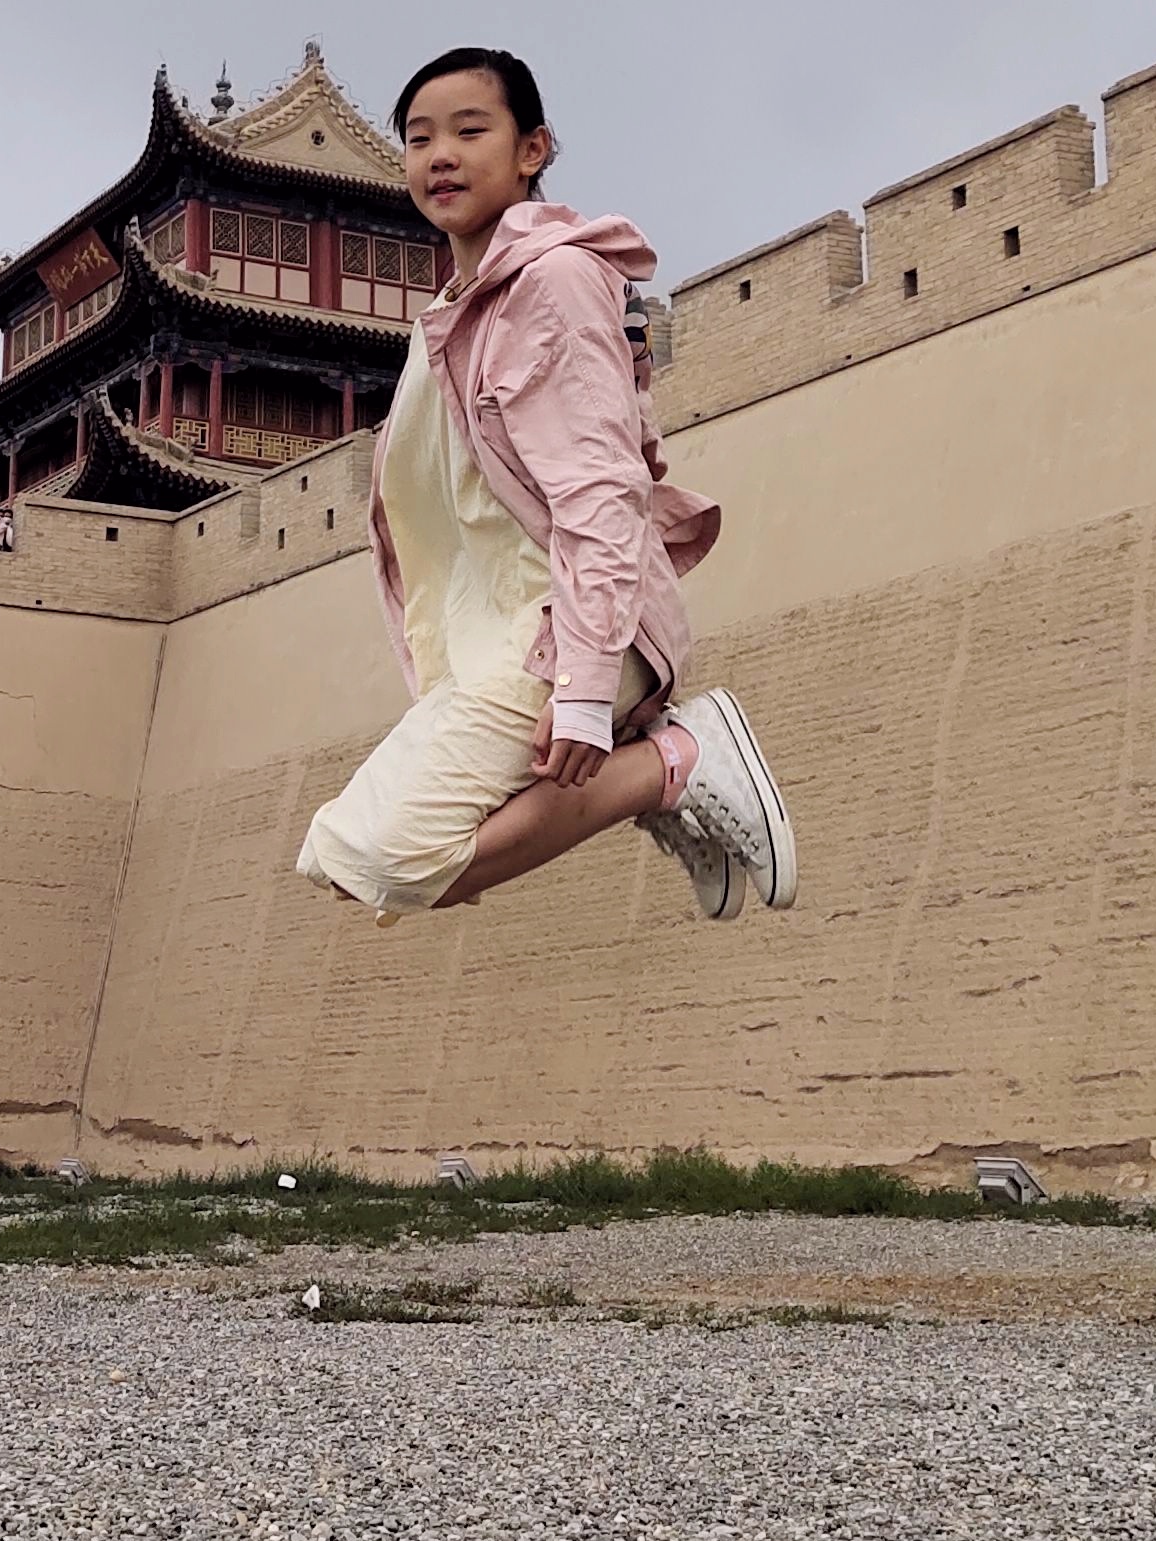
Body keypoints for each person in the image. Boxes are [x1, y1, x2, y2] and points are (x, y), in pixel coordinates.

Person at [297, 48, 794, 923]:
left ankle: (672, 765)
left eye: (469, 131)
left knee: (387, 855)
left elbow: (602, 494)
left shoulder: (552, 282)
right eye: (419, 139)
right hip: (494, 647)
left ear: (533, 149)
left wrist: (587, 687)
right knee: (350, 868)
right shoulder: (448, 316)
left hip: (566, 631)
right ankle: (663, 773)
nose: (440, 157)